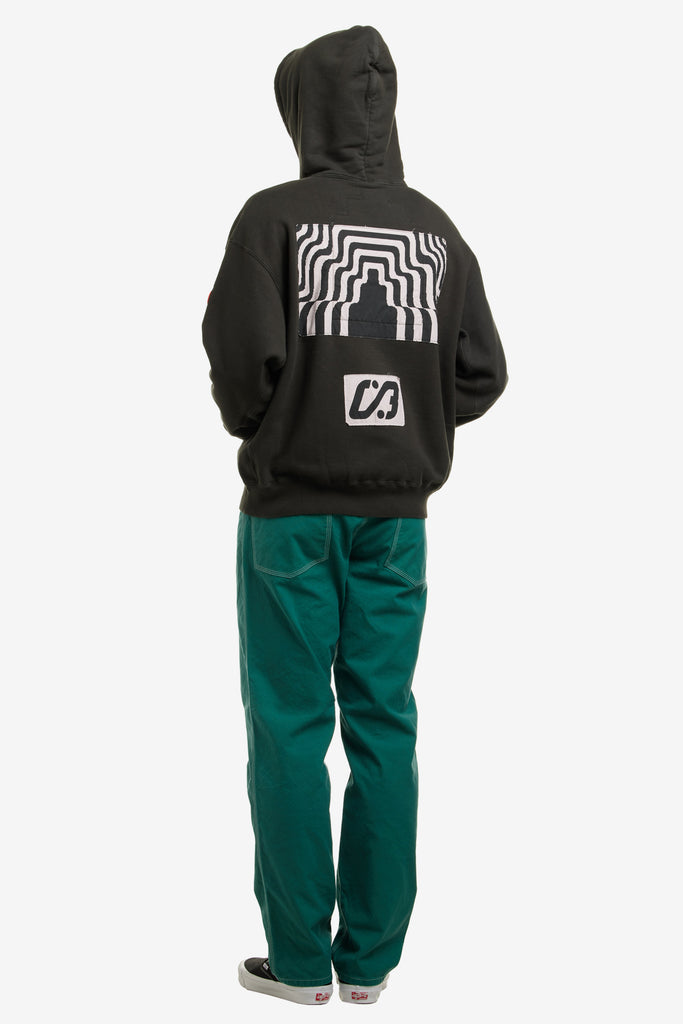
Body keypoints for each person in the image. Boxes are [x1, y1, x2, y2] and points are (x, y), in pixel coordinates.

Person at [201, 24, 508, 1006]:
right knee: (384, 725)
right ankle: (368, 963)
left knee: (289, 728)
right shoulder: (435, 230)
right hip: (397, 522)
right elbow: (481, 372)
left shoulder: (273, 220)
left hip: (291, 514)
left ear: (306, 113)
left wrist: (283, 418)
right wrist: (406, 415)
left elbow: (241, 365)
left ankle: (299, 965)